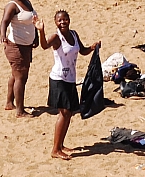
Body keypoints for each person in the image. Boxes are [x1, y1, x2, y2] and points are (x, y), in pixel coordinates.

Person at [35, 10, 100, 160]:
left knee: (69, 113)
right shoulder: (56, 37)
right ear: (55, 23)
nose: (63, 22)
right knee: (63, 113)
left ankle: (61, 145)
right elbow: (44, 46)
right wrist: (41, 30)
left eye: (65, 19)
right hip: (58, 79)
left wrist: (92, 47)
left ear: (69, 20)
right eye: (59, 20)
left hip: (70, 79)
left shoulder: (74, 34)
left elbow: (82, 51)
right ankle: (55, 149)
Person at [0, 0, 38, 118]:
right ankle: (20, 111)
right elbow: (4, 21)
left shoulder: (27, 3)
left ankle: (9, 102)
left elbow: (33, 22)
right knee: (21, 77)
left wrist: (36, 37)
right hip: (15, 46)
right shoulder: (12, 6)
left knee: (16, 75)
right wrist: (2, 36)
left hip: (26, 46)